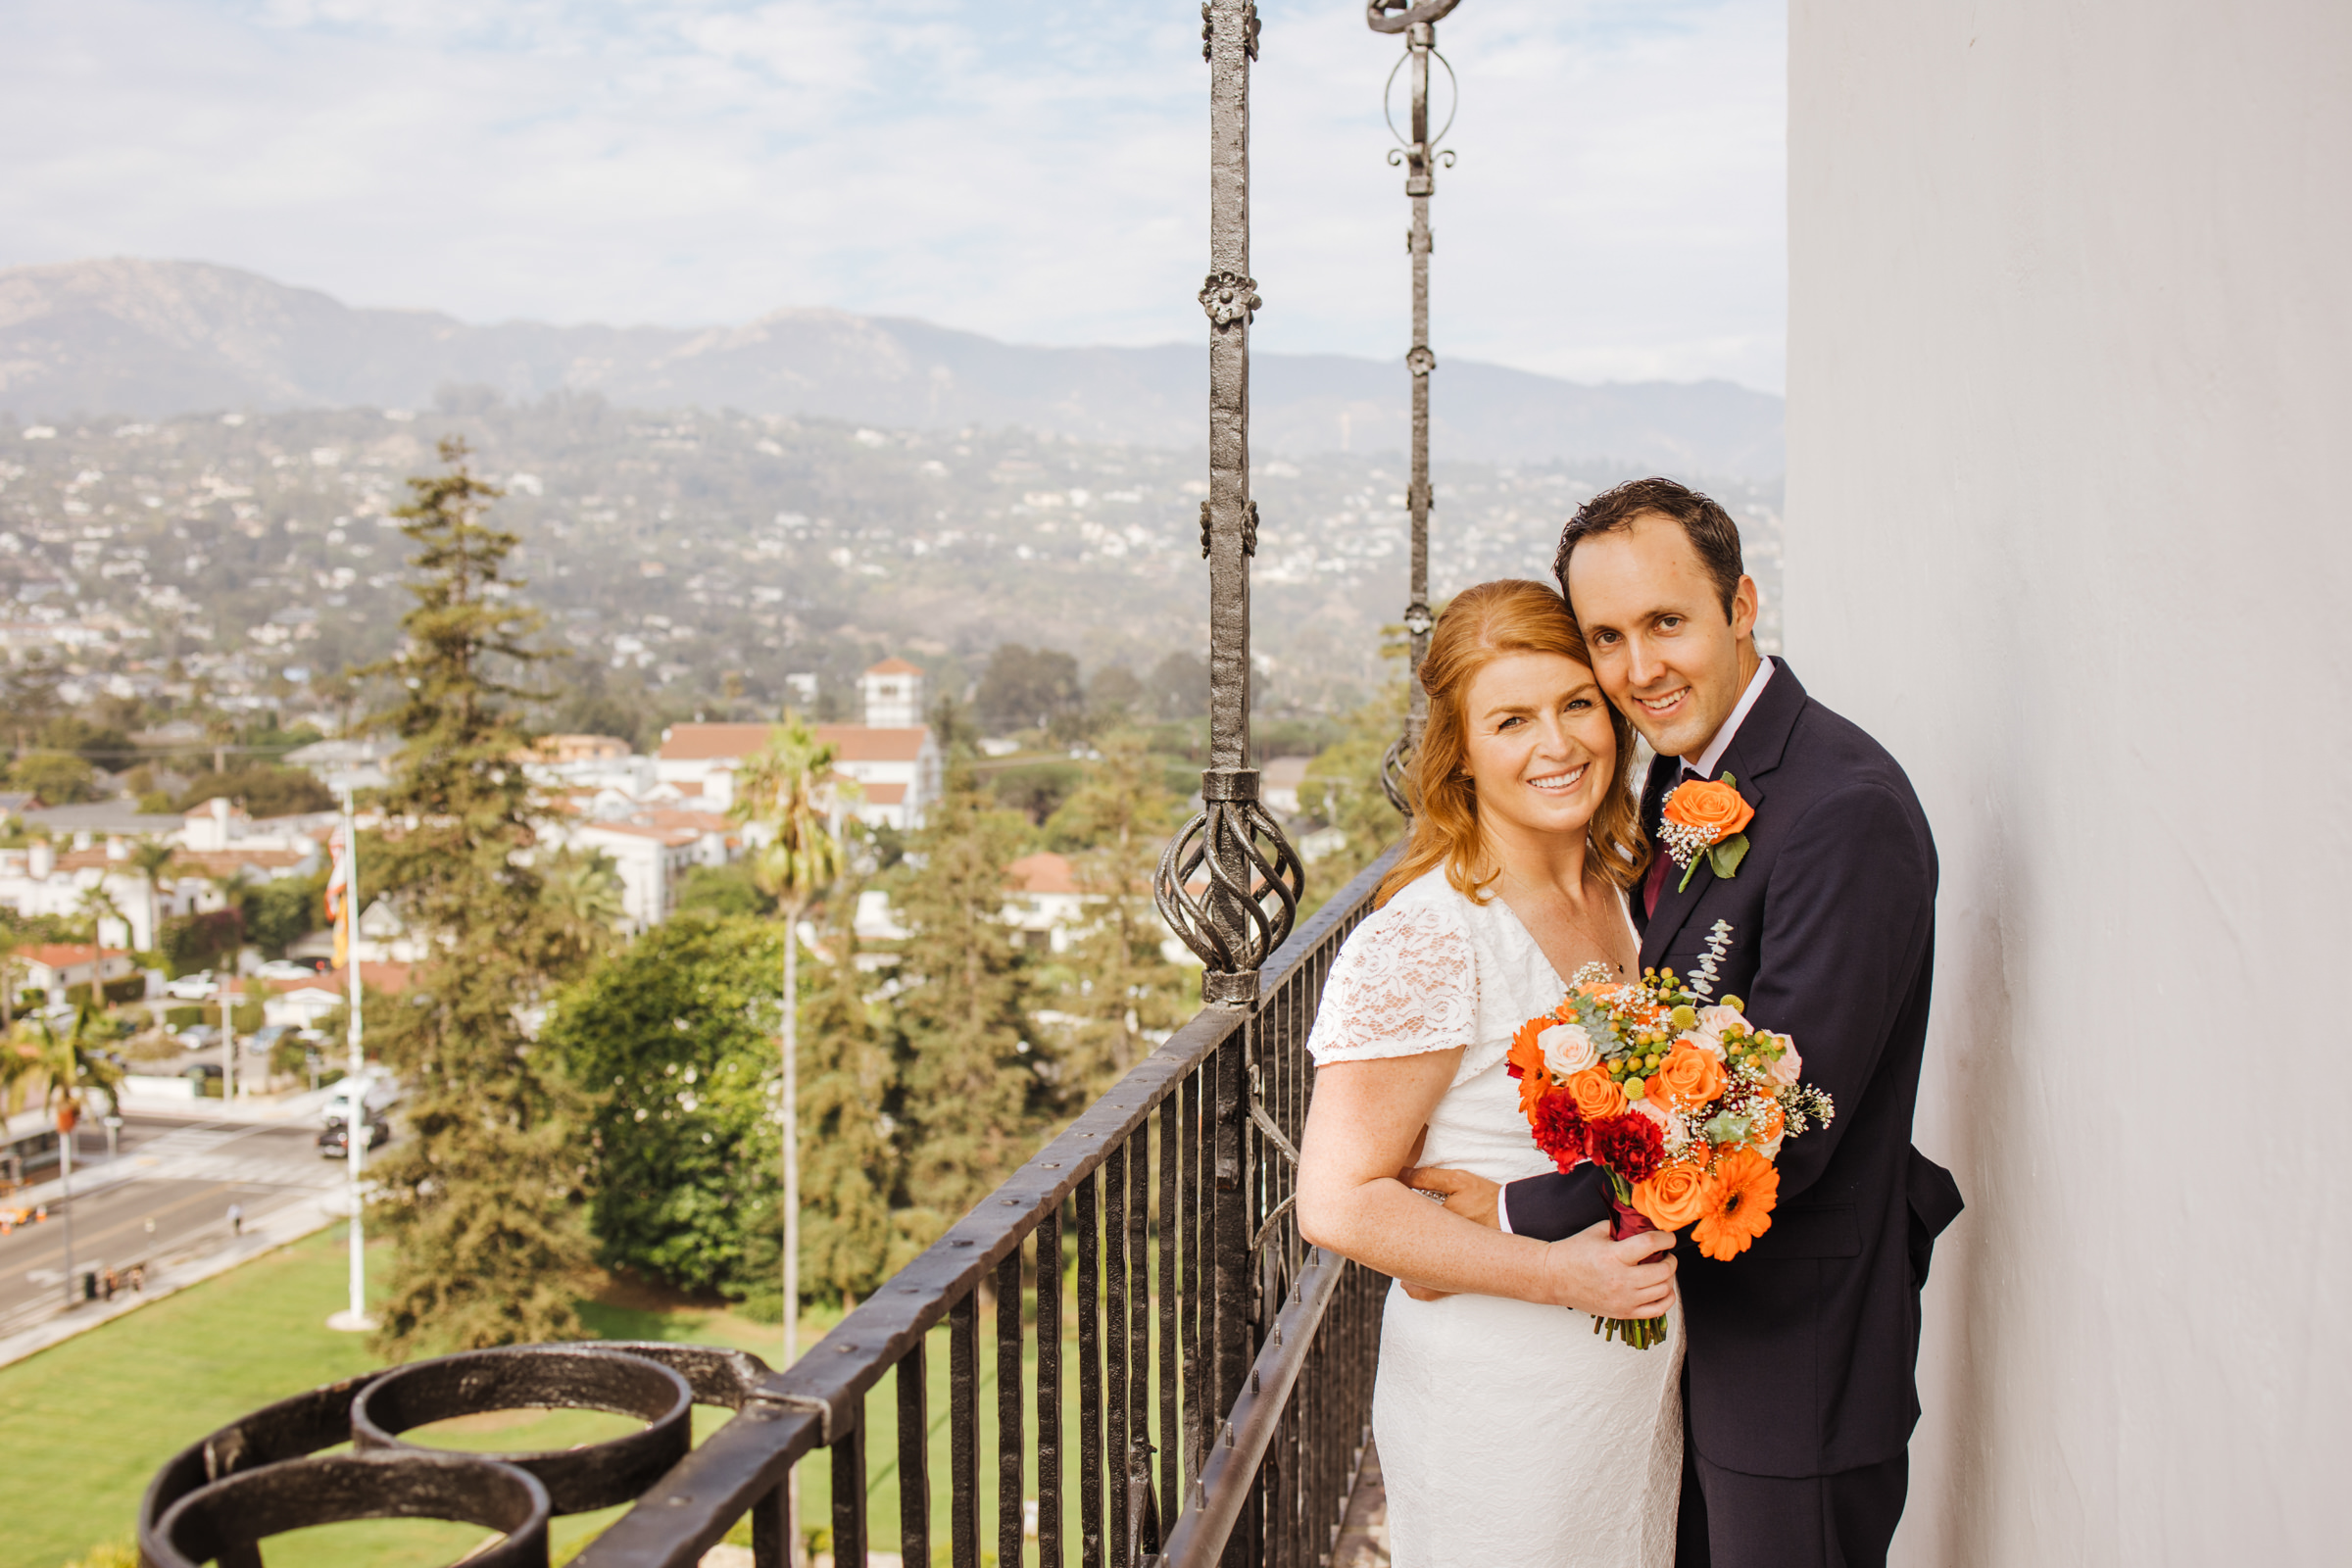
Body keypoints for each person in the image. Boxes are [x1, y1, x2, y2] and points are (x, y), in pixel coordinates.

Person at [1408, 478, 1965, 1568]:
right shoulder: (1680, 775)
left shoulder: (1842, 806)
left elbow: (1775, 1125)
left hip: (1794, 1360)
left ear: (1743, 605)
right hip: (1693, 1348)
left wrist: (1520, 1211)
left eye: (1667, 623)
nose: (1639, 670)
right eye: (1608, 638)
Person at [1296, 578, 1684, 1568]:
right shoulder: (1428, 936)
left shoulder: (1629, 889)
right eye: (1511, 719)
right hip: (1502, 1396)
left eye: (1575, 704)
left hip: (1635, 1390)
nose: (1556, 746)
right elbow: (1337, 1202)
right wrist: (1557, 1270)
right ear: (1459, 751)